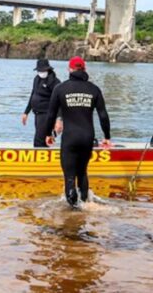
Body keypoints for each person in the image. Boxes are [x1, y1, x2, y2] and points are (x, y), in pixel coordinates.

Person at [41, 56, 111, 207]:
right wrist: (107, 137)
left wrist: (48, 134)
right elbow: (103, 115)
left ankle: (73, 211)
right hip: (87, 137)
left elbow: (51, 114)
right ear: (85, 69)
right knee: (82, 172)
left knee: (70, 176)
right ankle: (85, 206)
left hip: (70, 137)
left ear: (69, 69)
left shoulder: (60, 89)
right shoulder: (94, 89)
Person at [22, 59, 62, 147]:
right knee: (41, 137)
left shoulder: (55, 82)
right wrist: (26, 112)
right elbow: (33, 94)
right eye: (39, 71)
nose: (41, 72)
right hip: (37, 113)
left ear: (48, 69)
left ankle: (41, 152)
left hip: (47, 114)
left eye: (43, 70)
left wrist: (58, 119)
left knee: (39, 140)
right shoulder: (36, 79)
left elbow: (60, 101)